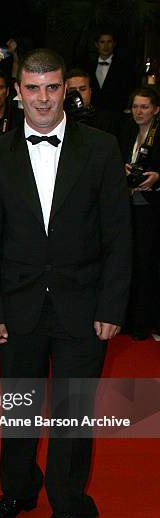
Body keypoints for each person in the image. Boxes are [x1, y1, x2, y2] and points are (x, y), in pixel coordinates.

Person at [0, 48, 131, 518]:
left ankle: (67, 507)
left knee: (72, 414)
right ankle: (18, 491)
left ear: (67, 89)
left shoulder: (103, 148)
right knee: (19, 409)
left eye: (53, 87)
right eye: (33, 88)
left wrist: (112, 305)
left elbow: (119, 236)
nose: (43, 98)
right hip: (18, 305)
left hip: (83, 308)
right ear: (17, 91)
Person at [120, 86, 160, 340]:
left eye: (144, 107)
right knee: (129, 264)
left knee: (148, 265)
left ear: (156, 110)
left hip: (153, 208)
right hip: (128, 206)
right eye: (135, 106)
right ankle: (128, 319)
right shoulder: (126, 132)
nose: (139, 111)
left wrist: (158, 176)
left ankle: (146, 322)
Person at [65, 68, 119, 135]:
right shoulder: (62, 119)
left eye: (82, 89)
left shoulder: (106, 119)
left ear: (90, 91)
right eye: (73, 91)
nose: (78, 94)